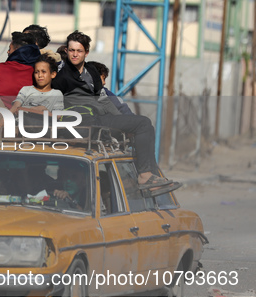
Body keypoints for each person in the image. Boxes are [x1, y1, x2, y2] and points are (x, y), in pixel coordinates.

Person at [51, 30, 180, 195]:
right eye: (71, 50)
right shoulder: (59, 71)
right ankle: (146, 177)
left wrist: (124, 123)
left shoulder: (91, 73)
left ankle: (150, 177)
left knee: (144, 125)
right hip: (77, 121)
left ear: (86, 53)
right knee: (142, 125)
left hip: (98, 119)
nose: (75, 54)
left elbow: (104, 100)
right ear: (67, 51)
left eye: (79, 51)